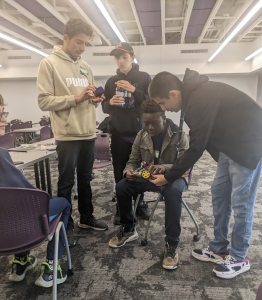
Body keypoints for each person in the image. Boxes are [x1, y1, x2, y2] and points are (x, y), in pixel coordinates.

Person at [148, 69, 262, 279]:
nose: (164, 109)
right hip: (230, 147)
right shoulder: (193, 97)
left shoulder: (200, 97)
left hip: (248, 146)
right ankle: (219, 248)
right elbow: (207, 136)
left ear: (174, 93)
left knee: (241, 202)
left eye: (163, 103)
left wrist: (171, 175)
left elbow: (196, 146)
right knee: (219, 193)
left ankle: (239, 258)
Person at [37, 18, 108, 247]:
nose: (82, 48)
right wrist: (76, 98)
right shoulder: (48, 64)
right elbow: (44, 101)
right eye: (79, 42)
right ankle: (64, 224)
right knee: (66, 183)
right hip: (67, 135)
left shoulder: (85, 66)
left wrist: (95, 99)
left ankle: (86, 218)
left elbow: (90, 98)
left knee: (86, 179)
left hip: (88, 131)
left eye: (86, 43)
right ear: (65, 38)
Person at [108, 99, 189, 270]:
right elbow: (133, 161)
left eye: (154, 123)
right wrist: (128, 172)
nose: (150, 127)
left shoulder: (179, 134)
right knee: (122, 186)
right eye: (146, 123)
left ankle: (171, 243)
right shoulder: (141, 135)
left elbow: (185, 164)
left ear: (164, 120)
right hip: (147, 175)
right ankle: (128, 228)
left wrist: (164, 168)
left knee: (174, 192)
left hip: (174, 177)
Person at [0, 94, 70, 287]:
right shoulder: (1, 154)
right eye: (0, 115)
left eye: (3, 113)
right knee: (62, 203)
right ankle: (51, 267)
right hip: (20, 225)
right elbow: (27, 195)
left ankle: (21, 262)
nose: (4, 119)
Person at [102, 42, 152, 224]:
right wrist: (110, 103)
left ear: (132, 57)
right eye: (117, 58)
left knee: (141, 172)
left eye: (124, 57)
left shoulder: (144, 77)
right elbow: (104, 107)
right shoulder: (110, 82)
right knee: (119, 173)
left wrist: (134, 90)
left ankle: (140, 205)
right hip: (118, 135)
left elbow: (152, 103)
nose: (121, 61)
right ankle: (122, 208)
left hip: (140, 135)